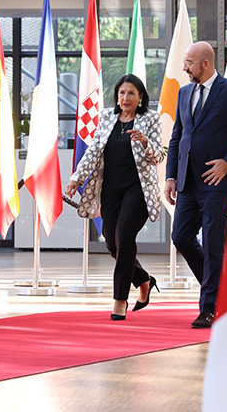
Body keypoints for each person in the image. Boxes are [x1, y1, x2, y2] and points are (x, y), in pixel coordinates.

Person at [66, 74, 165, 321]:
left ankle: (120, 299)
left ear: (141, 97)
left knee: (125, 237)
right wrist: (76, 178)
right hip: (110, 188)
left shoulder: (150, 118)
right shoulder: (107, 118)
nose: (125, 98)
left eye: (131, 93)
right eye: (122, 93)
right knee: (112, 243)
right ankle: (143, 280)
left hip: (139, 189)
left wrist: (145, 142)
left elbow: (159, 156)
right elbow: (93, 151)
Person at [165, 41, 227, 329]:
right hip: (187, 181)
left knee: (213, 243)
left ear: (205, 63)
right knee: (181, 237)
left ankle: (209, 308)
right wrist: (171, 176)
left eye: (188, 62)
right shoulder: (184, 92)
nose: (185, 68)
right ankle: (222, 291)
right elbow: (178, 136)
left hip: (217, 181)